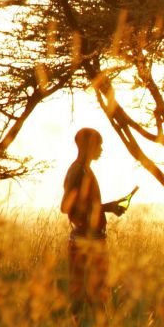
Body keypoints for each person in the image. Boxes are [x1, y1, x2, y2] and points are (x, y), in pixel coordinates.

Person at [61, 128, 127, 312]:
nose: (101, 149)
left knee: (96, 294)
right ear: (88, 146)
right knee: (85, 295)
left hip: (93, 241)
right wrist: (107, 207)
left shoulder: (85, 170)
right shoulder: (77, 171)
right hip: (85, 243)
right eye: (99, 145)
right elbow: (65, 206)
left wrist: (109, 207)